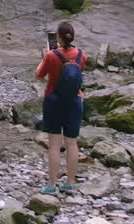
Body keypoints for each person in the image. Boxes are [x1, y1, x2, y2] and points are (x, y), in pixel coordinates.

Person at [35, 21, 85, 195]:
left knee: (54, 145)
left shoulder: (51, 55)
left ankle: (51, 184)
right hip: (75, 101)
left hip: (54, 101)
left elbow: (39, 74)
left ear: (58, 37)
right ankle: (70, 183)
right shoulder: (81, 54)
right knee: (71, 143)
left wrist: (46, 55)